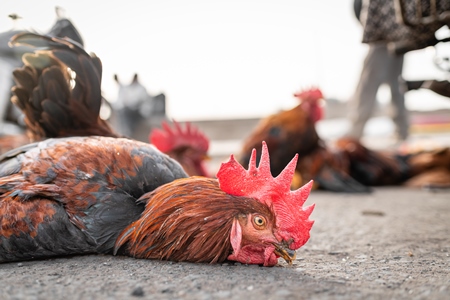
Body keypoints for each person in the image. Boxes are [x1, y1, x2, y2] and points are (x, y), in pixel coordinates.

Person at [346, 0, 408, 141]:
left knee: (369, 85)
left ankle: (355, 133)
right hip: (398, 32)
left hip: (383, 33)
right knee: (396, 84)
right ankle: (402, 132)